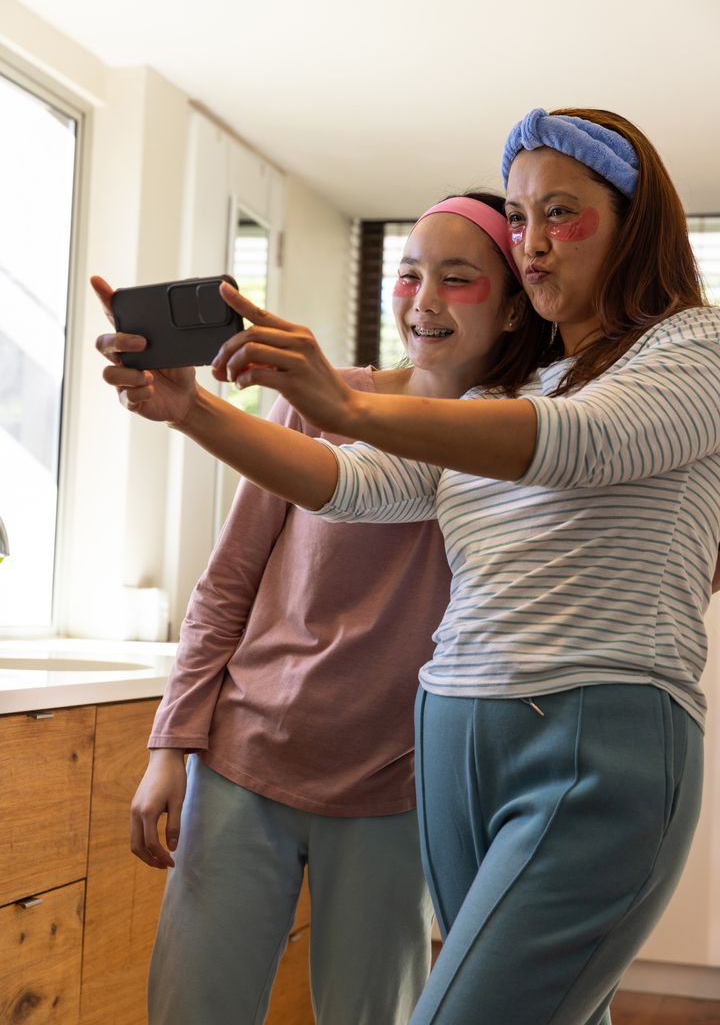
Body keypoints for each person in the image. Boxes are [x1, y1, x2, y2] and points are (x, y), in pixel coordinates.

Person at [97, 107, 720, 1024]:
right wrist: (192, 410)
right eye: (520, 216)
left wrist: (343, 404)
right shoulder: (522, 389)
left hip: (590, 727)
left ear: (637, 223)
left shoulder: (692, 349)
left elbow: (578, 445)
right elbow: (351, 486)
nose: (535, 241)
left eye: (563, 213)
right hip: (454, 736)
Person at [94, 191, 549, 1025]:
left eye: (459, 278)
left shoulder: (526, 447)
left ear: (517, 307)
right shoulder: (315, 400)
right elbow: (227, 583)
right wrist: (171, 744)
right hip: (243, 762)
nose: (425, 299)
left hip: (397, 789)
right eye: (409, 274)